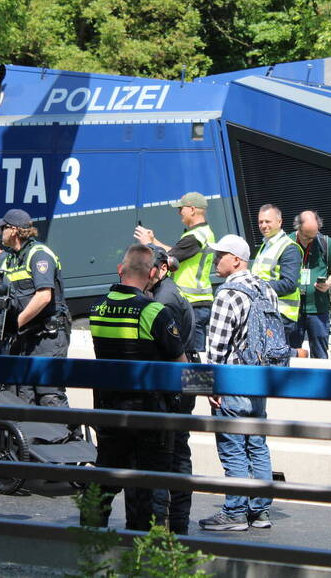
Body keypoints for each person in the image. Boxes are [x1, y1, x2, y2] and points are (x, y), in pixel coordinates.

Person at [84, 244, 187, 531]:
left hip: (109, 410)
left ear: (120, 270)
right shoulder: (154, 311)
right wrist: (208, 391)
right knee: (149, 490)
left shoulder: (97, 308)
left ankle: (87, 545)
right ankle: (141, 554)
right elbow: (183, 366)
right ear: (153, 272)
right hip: (148, 414)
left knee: (106, 479)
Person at [199, 234, 277, 532]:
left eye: (220, 255)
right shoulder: (265, 289)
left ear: (236, 260)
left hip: (232, 382)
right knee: (257, 444)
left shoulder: (227, 294)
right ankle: (259, 510)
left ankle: (234, 512)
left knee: (232, 447)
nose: (216, 259)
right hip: (260, 381)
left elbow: (216, 349)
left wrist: (209, 386)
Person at [0, 208, 72, 408]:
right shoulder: (11, 258)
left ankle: (69, 437)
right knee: (24, 394)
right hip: (26, 336)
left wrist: (15, 323)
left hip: (48, 336)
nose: (0, 232)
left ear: (13, 230)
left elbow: (43, 296)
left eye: (3, 228)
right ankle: (35, 439)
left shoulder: (39, 255)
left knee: (49, 394)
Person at [146, 245, 196, 535]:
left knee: (172, 453)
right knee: (176, 450)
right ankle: (176, 524)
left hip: (176, 380)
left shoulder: (163, 299)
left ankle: (174, 525)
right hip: (183, 376)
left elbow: (175, 352)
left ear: (161, 269)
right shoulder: (166, 290)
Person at [134, 192, 215, 359]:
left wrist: (148, 244)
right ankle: (193, 385)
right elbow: (175, 253)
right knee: (190, 355)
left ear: (192, 209)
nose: (179, 213)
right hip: (197, 303)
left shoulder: (196, 236)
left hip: (194, 304)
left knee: (191, 356)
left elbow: (170, 258)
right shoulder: (201, 233)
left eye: (181, 209)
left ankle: (197, 386)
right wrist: (154, 240)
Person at [251, 205, 302, 347]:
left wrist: (256, 286)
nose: (263, 225)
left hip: (281, 316)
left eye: (268, 221)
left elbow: (289, 284)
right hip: (267, 313)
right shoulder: (265, 246)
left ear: (279, 222)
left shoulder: (289, 248)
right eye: (260, 222)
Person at [293, 211, 331, 359]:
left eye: (314, 236)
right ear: (297, 229)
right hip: (293, 311)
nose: (311, 240)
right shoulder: (287, 243)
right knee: (291, 354)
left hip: (318, 309)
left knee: (320, 357)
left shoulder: (325, 243)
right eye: (307, 237)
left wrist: (328, 283)